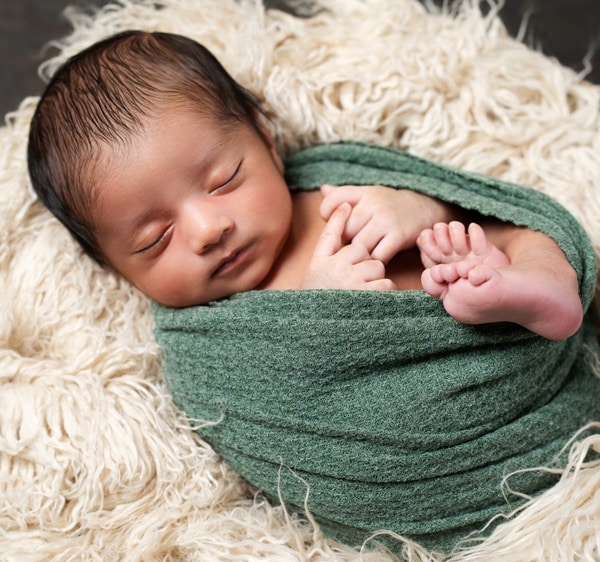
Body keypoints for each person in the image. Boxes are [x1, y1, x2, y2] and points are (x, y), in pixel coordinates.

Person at [27, 30, 584, 341]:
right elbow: (265, 409)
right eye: (153, 239)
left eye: (225, 180)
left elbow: (480, 197)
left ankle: (540, 285)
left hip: (482, 266)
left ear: (266, 140)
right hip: (437, 408)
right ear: (109, 265)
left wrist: (414, 205)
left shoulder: (332, 184)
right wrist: (321, 320)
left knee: (520, 235)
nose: (207, 229)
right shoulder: (206, 338)